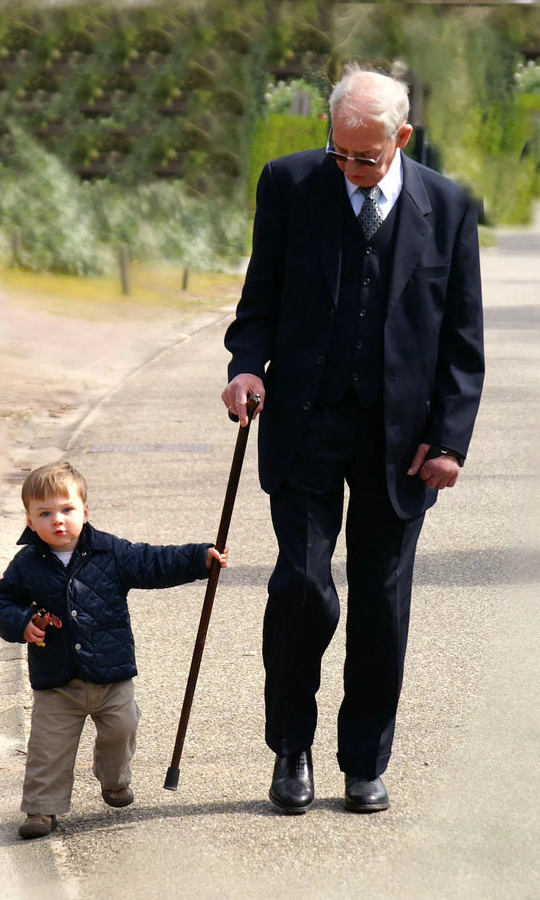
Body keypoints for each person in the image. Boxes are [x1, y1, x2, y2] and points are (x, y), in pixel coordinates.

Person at [221, 64, 484, 814]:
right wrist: (245, 368)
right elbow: (258, 302)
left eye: (366, 156)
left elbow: (463, 340)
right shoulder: (290, 185)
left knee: (380, 600)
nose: (350, 167)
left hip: (401, 441)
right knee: (304, 589)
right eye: (340, 152)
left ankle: (364, 761)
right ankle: (290, 747)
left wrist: (449, 442)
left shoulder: (450, 205)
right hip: (306, 421)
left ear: (402, 139)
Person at [0, 461, 228, 839]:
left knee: (122, 728)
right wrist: (21, 623)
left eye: (67, 509)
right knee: (47, 749)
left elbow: (153, 562)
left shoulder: (110, 552)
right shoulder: (27, 564)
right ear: (30, 522)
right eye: (45, 513)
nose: (58, 520)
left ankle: (114, 780)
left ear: (85, 511)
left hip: (111, 675)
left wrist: (198, 558)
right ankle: (41, 810)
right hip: (57, 681)